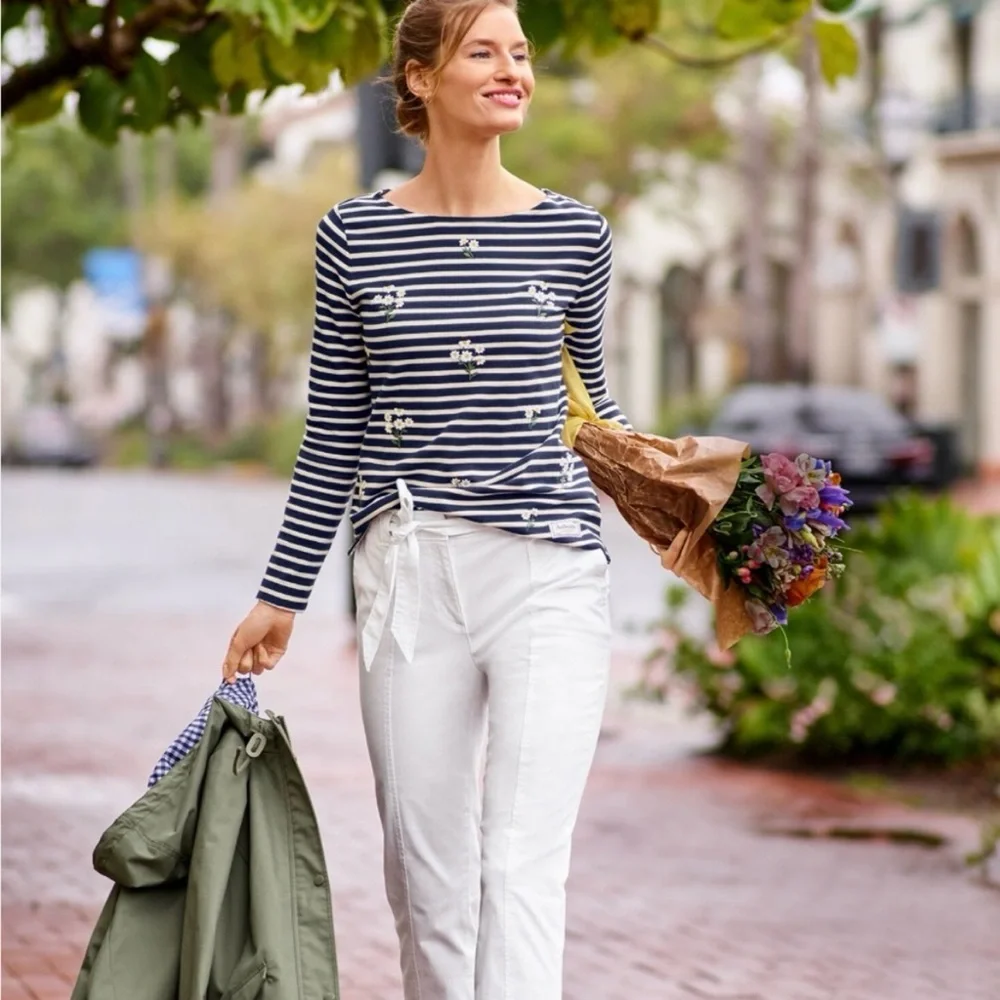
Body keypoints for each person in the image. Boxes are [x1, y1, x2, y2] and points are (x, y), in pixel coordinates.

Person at [222, 1, 631, 996]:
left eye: (520, 53)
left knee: (519, 864)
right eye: (483, 51)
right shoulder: (353, 237)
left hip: (549, 573)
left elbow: (598, 413)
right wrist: (280, 594)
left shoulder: (576, 236)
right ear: (419, 78)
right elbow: (334, 429)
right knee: (427, 876)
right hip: (406, 572)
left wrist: (721, 519)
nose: (512, 70)